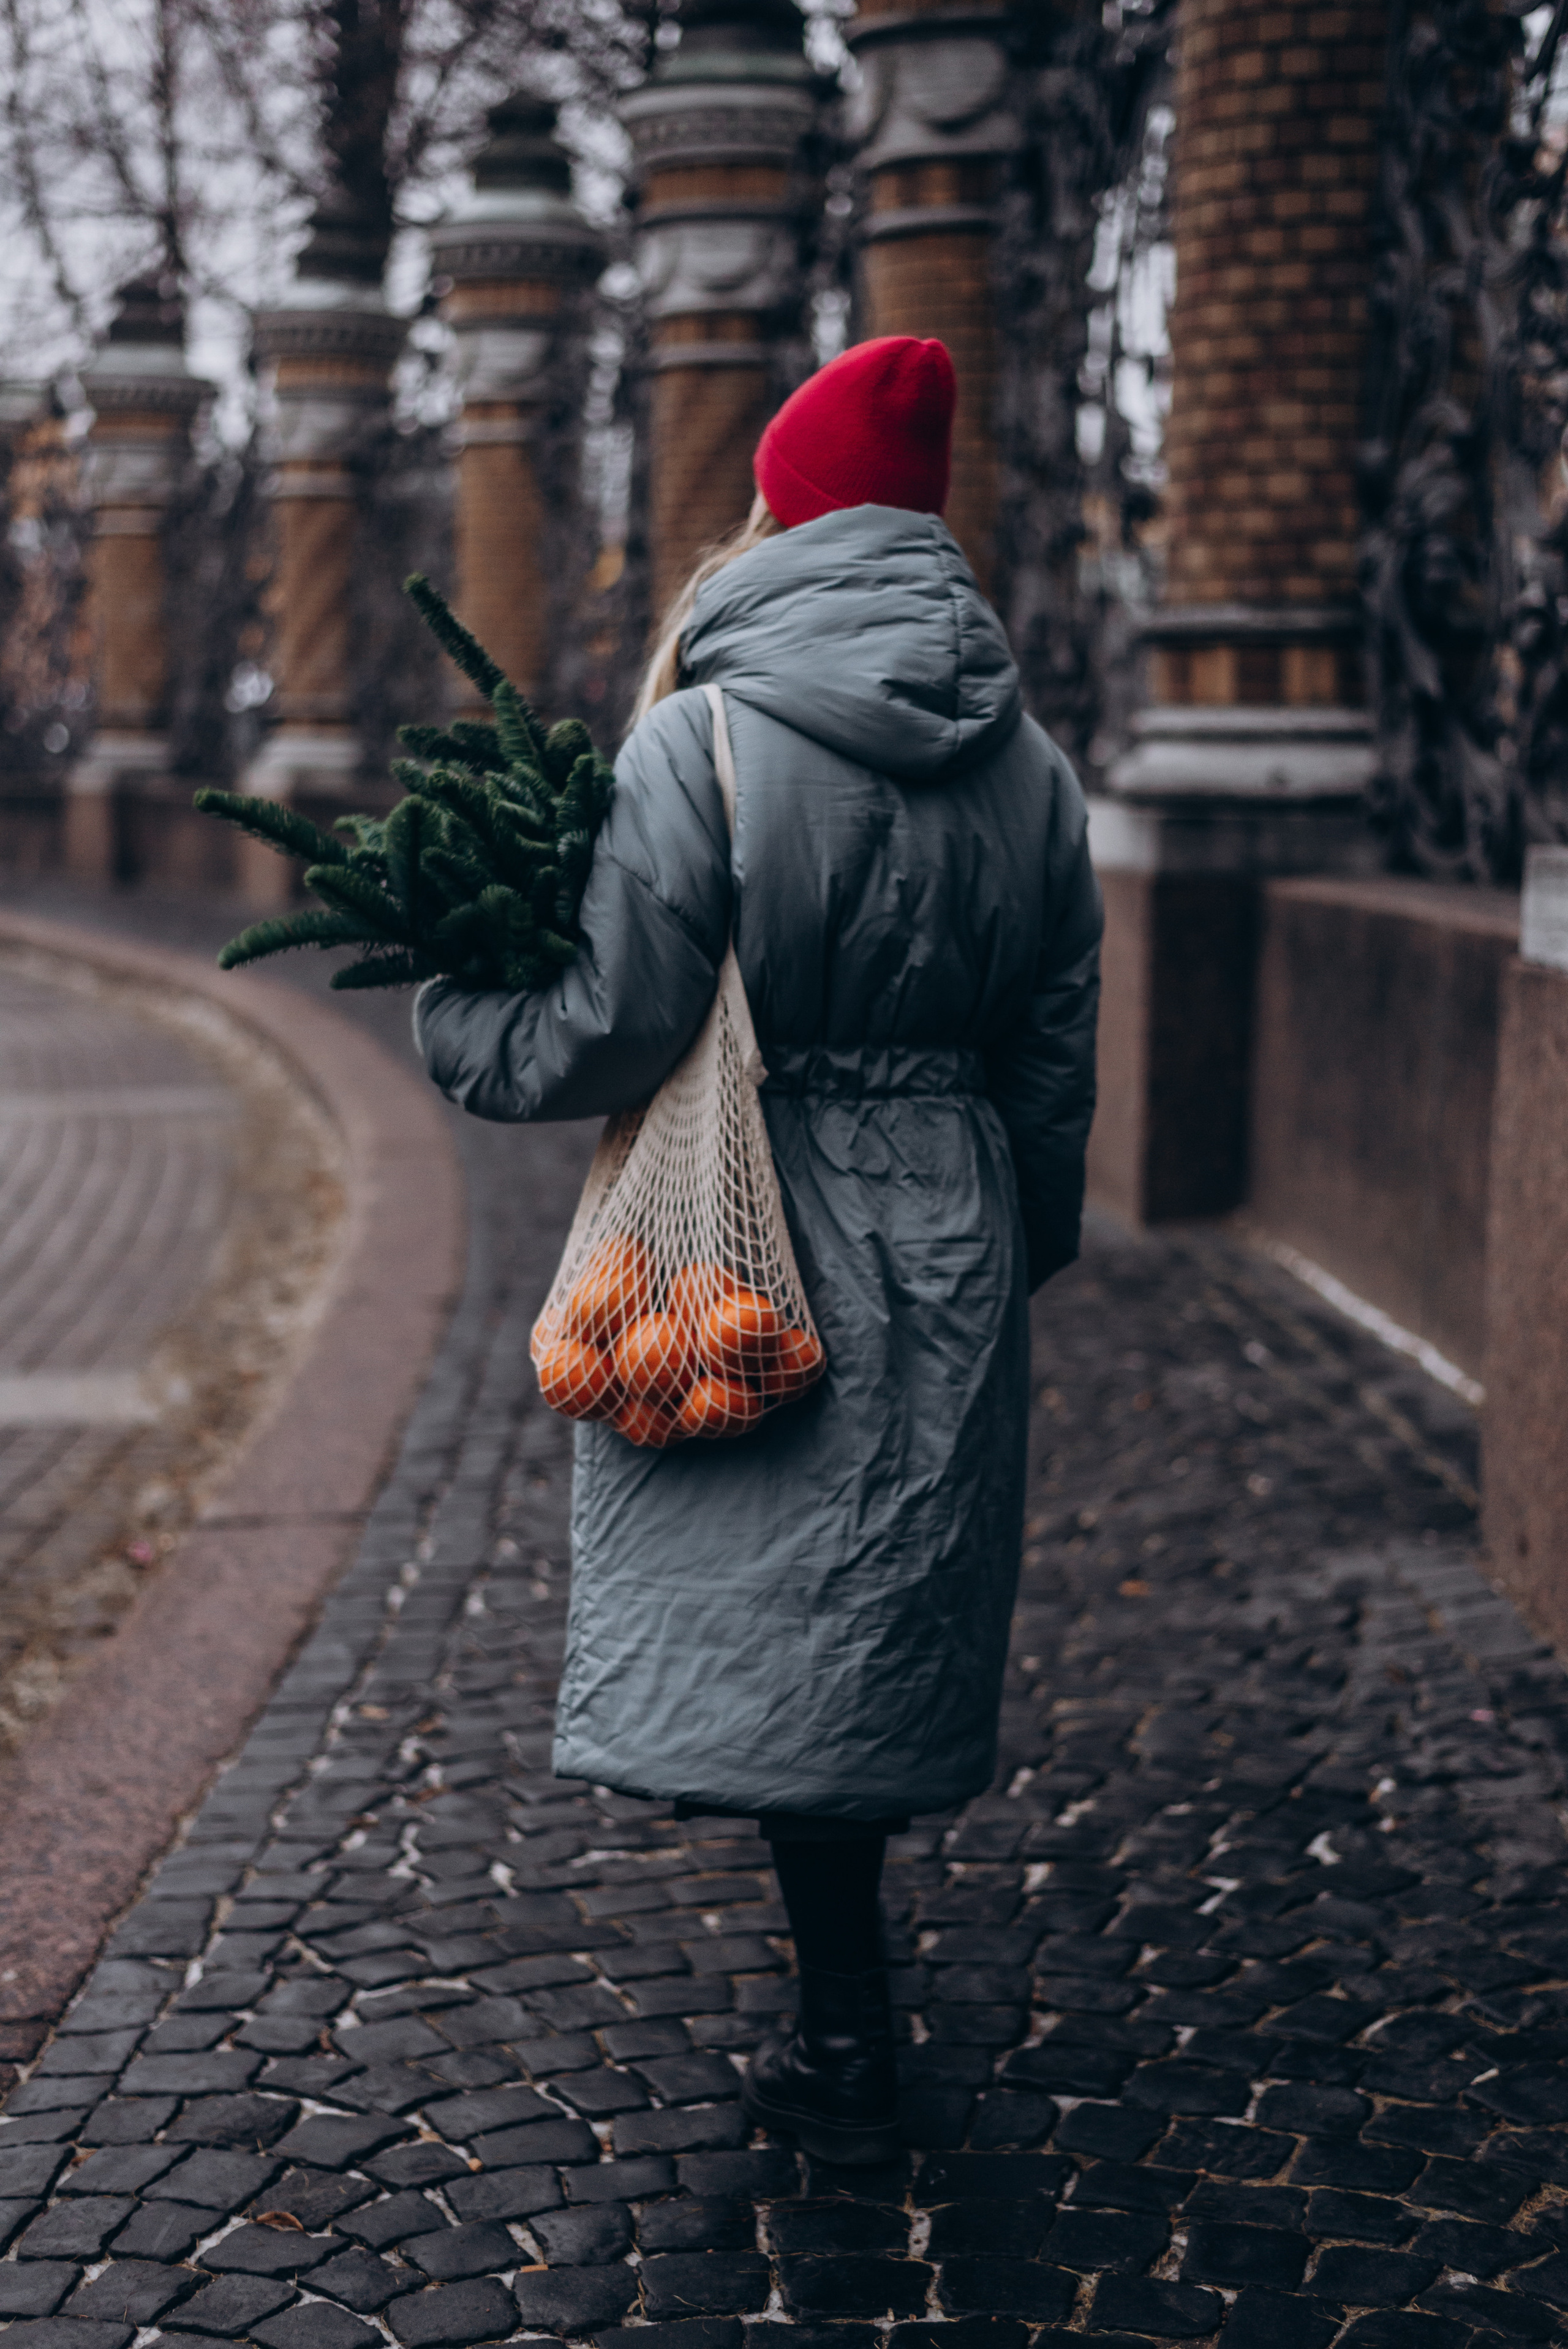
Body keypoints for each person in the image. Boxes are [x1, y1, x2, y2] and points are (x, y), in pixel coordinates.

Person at [415, 335, 1102, 2165]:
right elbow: (1055, 1046)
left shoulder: (701, 733)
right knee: (877, 1595)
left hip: (761, 1192)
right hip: (946, 1202)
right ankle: (845, 1977)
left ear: (780, 510)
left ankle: (844, 2017)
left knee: (798, 1596)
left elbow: (620, 1015)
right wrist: (1016, 1243)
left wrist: (462, 1024)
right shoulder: (1028, 757)